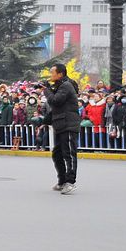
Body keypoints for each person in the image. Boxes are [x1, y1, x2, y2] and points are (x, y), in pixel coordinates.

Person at [42, 63, 80, 194]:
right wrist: (48, 88)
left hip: (69, 124)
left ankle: (70, 182)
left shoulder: (66, 85)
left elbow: (56, 100)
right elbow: (56, 102)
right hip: (60, 124)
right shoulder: (60, 86)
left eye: (52, 72)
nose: (50, 75)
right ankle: (62, 181)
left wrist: (46, 91)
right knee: (57, 154)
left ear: (60, 74)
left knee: (69, 154)